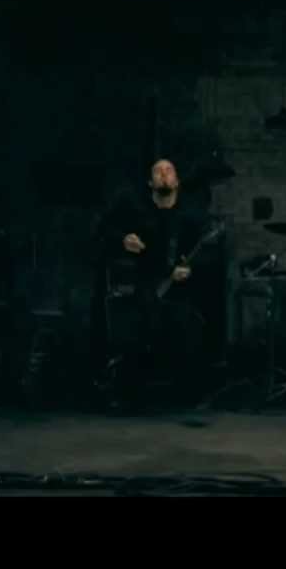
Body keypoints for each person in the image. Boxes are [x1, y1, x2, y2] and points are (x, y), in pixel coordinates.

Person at [96, 159, 210, 411]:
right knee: (138, 321)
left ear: (177, 182)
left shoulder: (188, 217)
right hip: (145, 283)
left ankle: (188, 393)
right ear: (150, 183)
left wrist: (189, 269)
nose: (163, 174)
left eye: (169, 171)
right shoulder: (138, 212)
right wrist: (123, 240)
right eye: (158, 172)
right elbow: (103, 230)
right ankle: (129, 392)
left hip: (180, 289)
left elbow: (204, 253)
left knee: (189, 322)